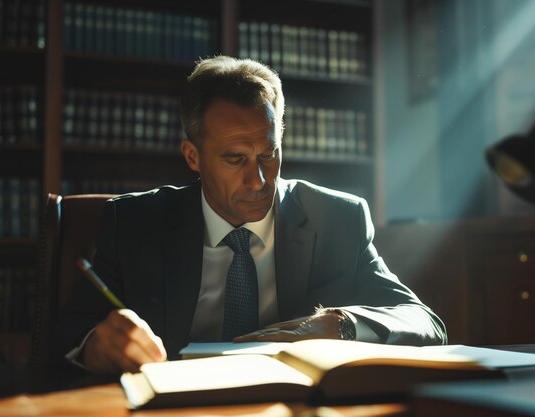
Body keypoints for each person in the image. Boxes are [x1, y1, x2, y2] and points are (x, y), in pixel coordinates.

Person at [54, 55, 447, 374]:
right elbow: (69, 334)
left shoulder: (337, 219)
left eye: (268, 155)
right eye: (235, 159)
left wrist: (344, 324)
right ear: (193, 156)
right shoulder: (134, 222)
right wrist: (97, 344)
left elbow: (424, 322)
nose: (259, 180)